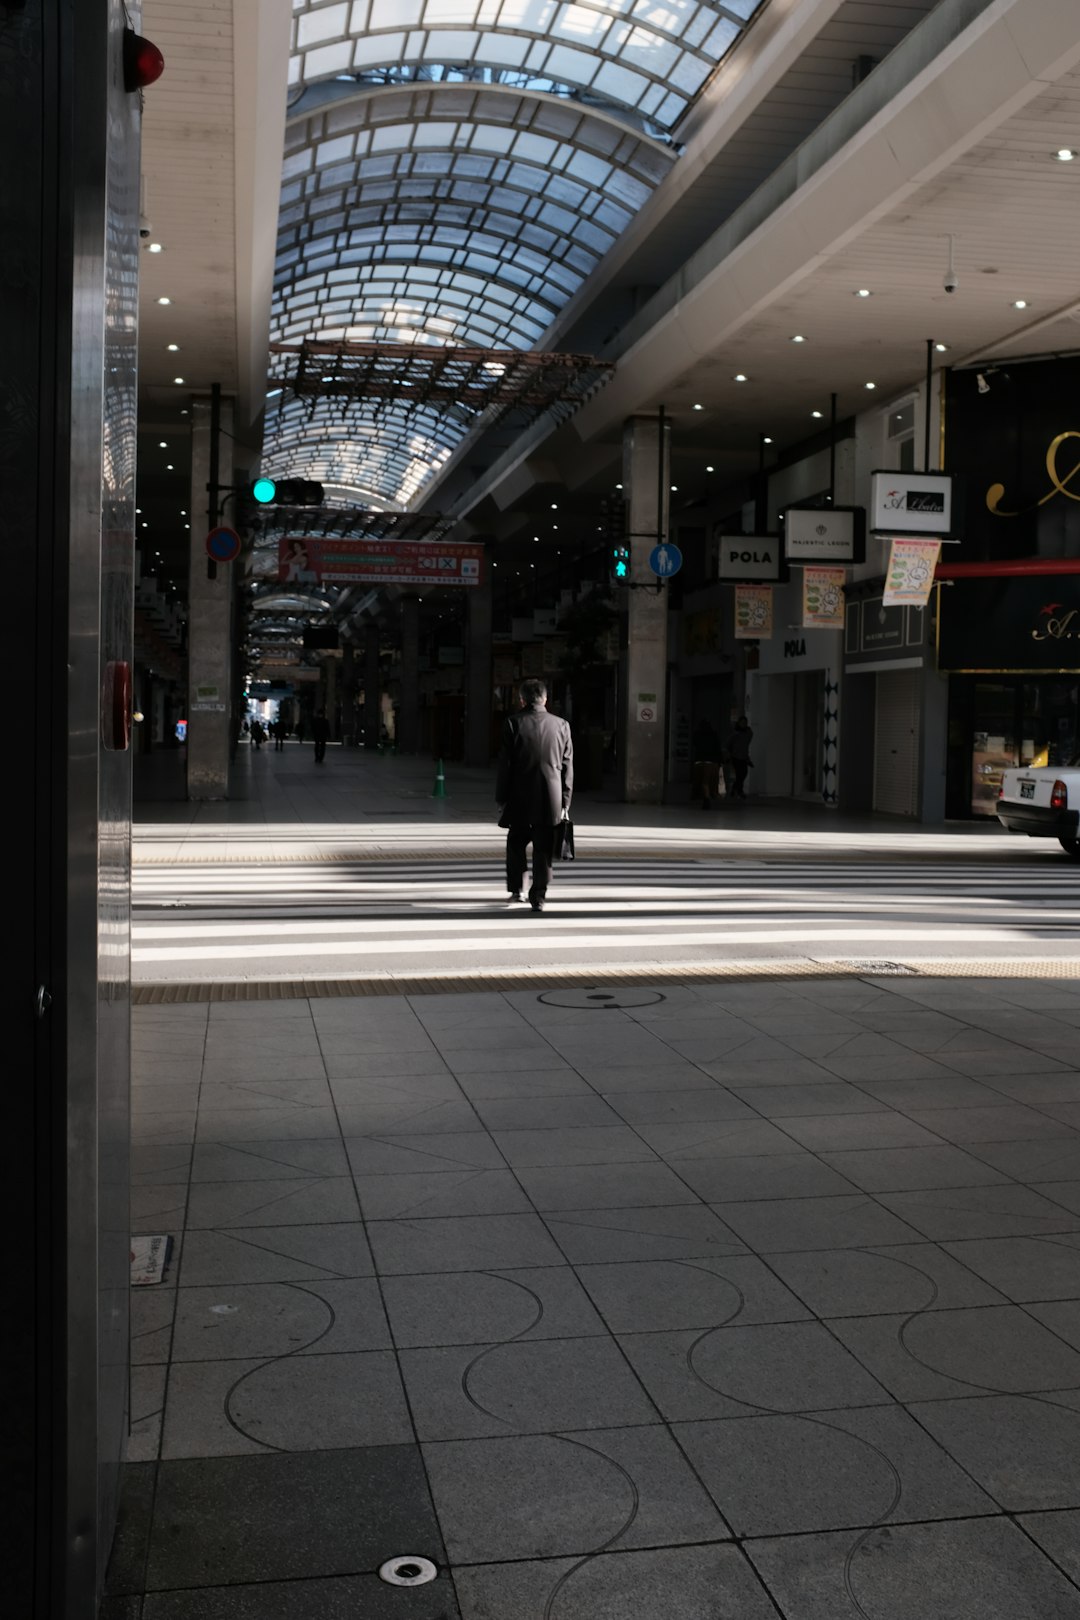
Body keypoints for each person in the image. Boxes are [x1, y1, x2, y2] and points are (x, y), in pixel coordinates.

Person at [496, 678, 573, 913]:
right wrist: (566, 801)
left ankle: (518, 889)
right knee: (543, 847)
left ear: (521, 699)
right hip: (551, 796)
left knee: (516, 842)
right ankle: (538, 897)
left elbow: (505, 766)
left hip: (520, 795)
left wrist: (502, 798)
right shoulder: (561, 725)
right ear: (545, 698)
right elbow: (567, 765)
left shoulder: (512, 723)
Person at [725, 715, 754, 799]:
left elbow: (749, 738)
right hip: (735, 757)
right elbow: (727, 744)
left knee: (744, 773)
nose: (744, 724)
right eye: (742, 723)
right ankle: (740, 791)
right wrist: (729, 754)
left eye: (745, 723)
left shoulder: (748, 733)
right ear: (739, 723)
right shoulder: (735, 734)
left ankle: (734, 788)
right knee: (739, 774)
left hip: (744, 757)